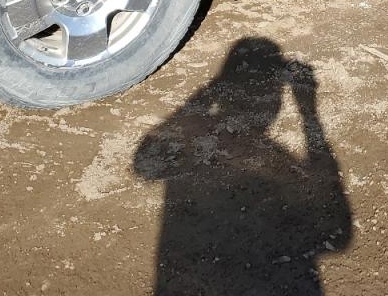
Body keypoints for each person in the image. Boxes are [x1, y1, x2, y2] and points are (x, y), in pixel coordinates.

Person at [133, 37, 353, 295]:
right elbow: (338, 234)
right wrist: (308, 111)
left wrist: (215, 86)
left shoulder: (198, 149)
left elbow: (144, 161)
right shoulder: (272, 159)